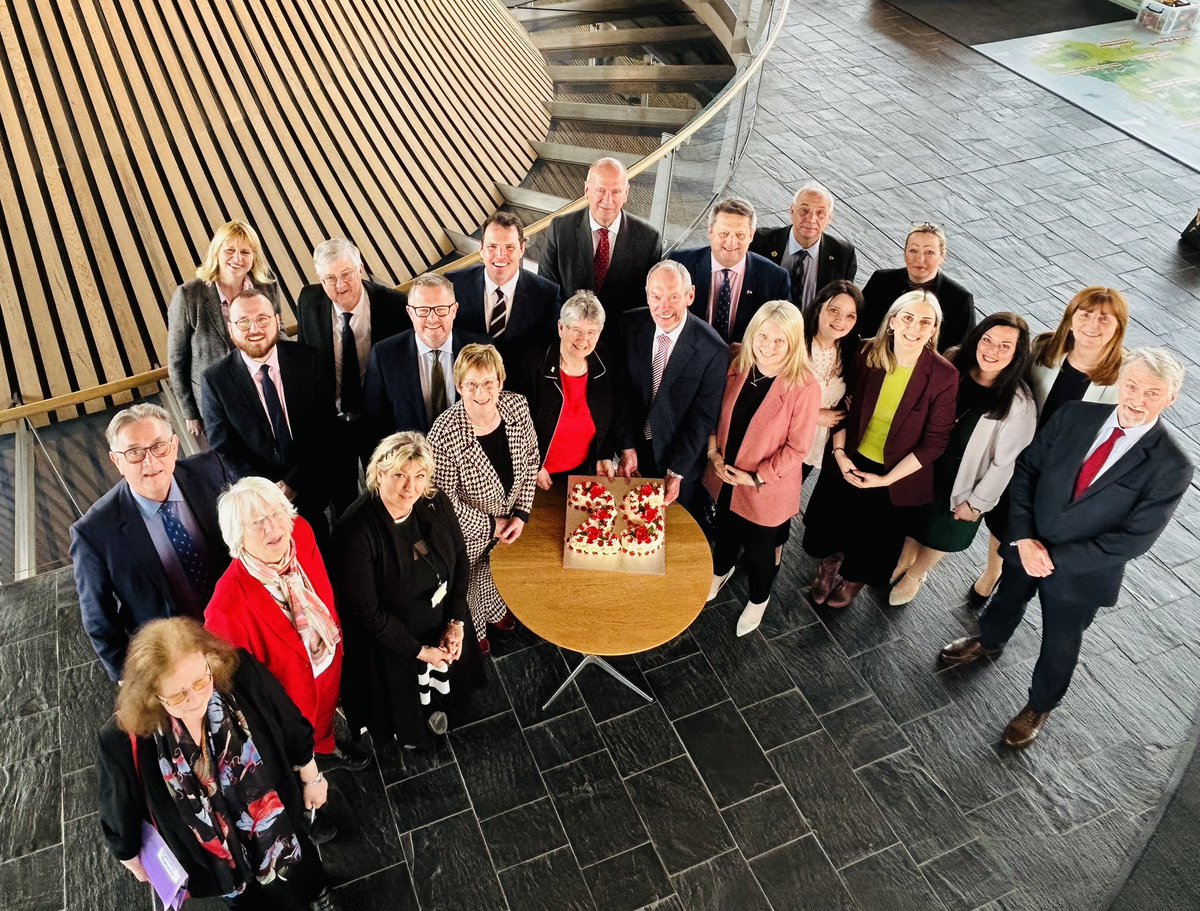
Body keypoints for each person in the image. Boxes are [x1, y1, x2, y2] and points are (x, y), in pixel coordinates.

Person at [940, 348, 1194, 748]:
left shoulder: (1172, 465)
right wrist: (1024, 539)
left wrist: (1050, 558)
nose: (1137, 399)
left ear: (1171, 399)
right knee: (1007, 599)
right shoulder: (1075, 415)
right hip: (1028, 543)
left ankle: (1039, 705)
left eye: (1152, 392)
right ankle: (988, 641)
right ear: (1119, 382)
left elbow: (1135, 539)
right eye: (1131, 385)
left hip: (1081, 573)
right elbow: (1027, 472)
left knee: (1061, 641)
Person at [97, 618, 336, 910]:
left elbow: (288, 723)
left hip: (276, 819)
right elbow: (119, 805)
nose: (195, 698)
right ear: (152, 696)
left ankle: (316, 891)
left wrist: (312, 777)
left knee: (301, 859)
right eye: (178, 694)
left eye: (200, 680)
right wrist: (132, 858)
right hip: (211, 854)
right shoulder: (120, 738)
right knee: (245, 899)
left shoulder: (240, 672)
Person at [968, 287, 1128, 607]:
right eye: (1084, 314)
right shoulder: (1044, 350)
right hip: (1023, 456)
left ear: (1118, 328)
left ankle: (1014, 584)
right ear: (1070, 319)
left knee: (1036, 531)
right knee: (1003, 517)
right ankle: (993, 570)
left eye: (1104, 318)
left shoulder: (1123, 377)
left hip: (1064, 473)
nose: (1092, 324)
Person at [802, 291, 957, 610]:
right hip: (850, 456)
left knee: (874, 534)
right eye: (908, 318)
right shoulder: (866, 353)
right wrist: (841, 455)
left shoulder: (943, 375)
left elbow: (935, 441)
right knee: (836, 522)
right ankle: (831, 562)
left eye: (925, 321)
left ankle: (854, 575)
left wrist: (886, 481)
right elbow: (843, 407)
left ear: (934, 329)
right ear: (893, 321)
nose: (915, 327)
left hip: (897, 473)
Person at [331, 433, 486, 749]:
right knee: (406, 708)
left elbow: (459, 555)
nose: (409, 487)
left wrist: (456, 623)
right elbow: (369, 614)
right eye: (399, 475)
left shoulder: (432, 499)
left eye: (419, 476)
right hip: (396, 643)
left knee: (448, 691)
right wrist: (420, 651)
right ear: (378, 474)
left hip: (443, 621)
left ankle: (442, 711)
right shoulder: (355, 532)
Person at [205, 477, 365, 773]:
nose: (273, 528)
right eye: (257, 523)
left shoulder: (300, 531)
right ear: (237, 538)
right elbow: (239, 690)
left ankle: (326, 746)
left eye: (276, 513)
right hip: (289, 698)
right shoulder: (225, 608)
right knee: (297, 749)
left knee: (325, 717)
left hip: (327, 658)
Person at [71, 404, 236, 681]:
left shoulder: (212, 471)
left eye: (158, 446)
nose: (150, 462)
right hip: (176, 657)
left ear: (174, 445)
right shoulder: (94, 532)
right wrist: (131, 680)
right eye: (134, 453)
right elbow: (99, 619)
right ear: (116, 461)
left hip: (243, 626)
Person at [887, 313, 1037, 605]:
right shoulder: (954, 363)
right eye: (988, 340)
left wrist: (977, 503)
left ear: (1018, 353)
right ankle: (904, 559)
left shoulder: (1019, 403)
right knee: (913, 521)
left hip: (967, 479)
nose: (992, 351)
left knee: (943, 532)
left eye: (1005, 346)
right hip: (926, 465)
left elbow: (1004, 464)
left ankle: (917, 573)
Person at [702, 301, 820, 636]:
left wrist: (755, 477)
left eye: (779, 340)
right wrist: (713, 453)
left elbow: (797, 448)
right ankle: (720, 571)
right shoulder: (736, 359)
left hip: (765, 487)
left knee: (759, 553)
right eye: (763, 336)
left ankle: (758, 599)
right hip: (724, 474)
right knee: (723, 532)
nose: (767, 347)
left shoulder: (805, 387)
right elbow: (711, 410)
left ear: (794, 343)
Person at [427, 344, 539, 656]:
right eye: (472, 384)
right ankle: (475, 627)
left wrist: (521, 513)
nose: (481, 392)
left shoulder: (517, 407)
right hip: (469, 532)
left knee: (498, 572)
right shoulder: (444, 432)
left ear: (500, 383)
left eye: (489, 382)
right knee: (471, 581)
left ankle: (496, 611)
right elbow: (442, 500)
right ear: (459, 386)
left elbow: (531, 460)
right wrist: (491, 524)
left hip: (510, 521)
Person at [201, 289, 336, 542]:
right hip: (261, 506)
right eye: (244, 322)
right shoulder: (215, 380)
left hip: (312, 489)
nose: (255, 329)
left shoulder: (309, 360)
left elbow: (325, 428)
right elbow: (225, 447)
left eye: (263, 319)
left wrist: (293, 483)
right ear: (231, 328)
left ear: (277, 320)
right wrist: (269, 490)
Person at [296, 238, 410, 514]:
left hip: (378, 418)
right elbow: (303, 358)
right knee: (342, 501)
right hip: (333, 421)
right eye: (330, 278)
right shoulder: (309, 301)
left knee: (384, 494)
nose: (340, 285)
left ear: (360, 269)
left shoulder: (394, 305)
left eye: (346, 274)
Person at [613, 261, 727, 515]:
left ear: (690, 295)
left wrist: (676, 472)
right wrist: (627, 446)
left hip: (677, 457)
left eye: (673, 296)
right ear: (647, 295)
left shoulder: (713, 350)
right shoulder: (628, 325)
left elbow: (702, 418)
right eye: (656, 296)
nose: (663, 306)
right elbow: (619, 393)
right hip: (631, 448)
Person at [167, 221, 280, 440]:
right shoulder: (189, 295)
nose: (237, 258)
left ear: (254, 257)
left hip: (264, 390)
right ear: (216, 252)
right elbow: (177, 359)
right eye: (230, 250)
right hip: (216, 400)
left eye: (245, 252)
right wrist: (190, 412)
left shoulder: (267, 286)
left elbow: (278, 331)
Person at [364, 273, 488, 443]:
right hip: (410, 463)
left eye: (441, 309)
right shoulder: (385, 355)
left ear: (454, 310)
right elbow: (374, 425)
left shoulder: (482, 348)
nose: (432, 318)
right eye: (423, 310)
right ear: (410, 312)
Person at [512, 291, 616, 489]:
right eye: (576, 330)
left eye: (591, 332)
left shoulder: (605, 365)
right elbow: (514, 424)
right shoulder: (532, 364)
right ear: (561, 327)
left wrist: (604, 455)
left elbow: (609, 418)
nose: (583, 339)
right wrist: (532, 465)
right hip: (534, 475)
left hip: (581, 474)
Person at [538, 157, 663, 313]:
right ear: (586, 191)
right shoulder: (561, 229)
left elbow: (645, 304)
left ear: (626, 193)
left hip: (621, 335)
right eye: (600, 190)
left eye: (616, 191)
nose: (608, 200)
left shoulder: (649, 240)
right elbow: (545, 290)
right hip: (569, 332)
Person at [667, 198, 790, 344]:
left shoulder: (775, 278)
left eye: (740, 235)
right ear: (710, 231)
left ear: (751, 235)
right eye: (724, 233)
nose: (731, 242)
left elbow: (784, 333)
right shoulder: (680, 264)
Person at [448, 212, 561, 362]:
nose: (500, 255)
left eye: (509, 247)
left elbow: (549, 350)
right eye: (492, 246)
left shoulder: (547, 294)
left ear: (522, 248)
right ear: (481, 248)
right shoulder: (455, 285)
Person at [859, 223, 975, 352]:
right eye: (913, 250)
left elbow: (961, 351)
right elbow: (858, 323)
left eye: (929, 252)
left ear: (942, 256)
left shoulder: (959, 299)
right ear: (904, 253)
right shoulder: (881, 280)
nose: (920, 259)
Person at [750, 182, 858, 308]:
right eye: (804, 210)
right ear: (791, 211)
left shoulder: (844, 254)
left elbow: (842, 303)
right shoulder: (760, 242)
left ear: (829, 219)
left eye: (820, 213)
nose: (811, 219)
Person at [801, 281, 863, 481]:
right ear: (819, 307)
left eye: (850, 316)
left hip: (816, 447)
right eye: (833, 310)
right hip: (781, 439)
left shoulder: (851, 353)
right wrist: (814, 416)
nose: (840, 320)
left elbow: (843, 409)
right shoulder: (797, 343)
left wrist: (839, 451)